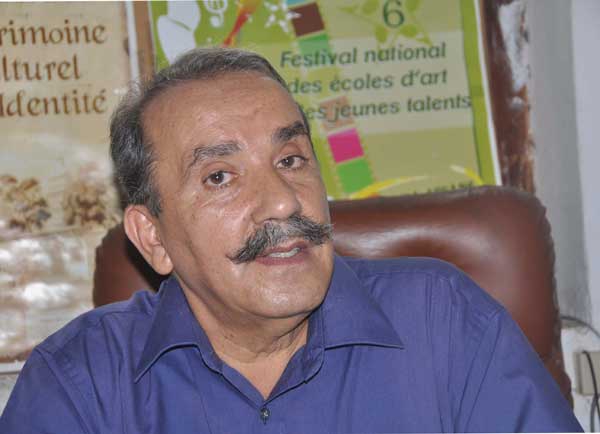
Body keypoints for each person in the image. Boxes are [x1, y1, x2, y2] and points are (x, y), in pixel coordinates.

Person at [0, 48, 582, 433]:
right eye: (220, 177)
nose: (282, 200)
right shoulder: (79, 386)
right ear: (153, 238)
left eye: (291, 159)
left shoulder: (444, 323)